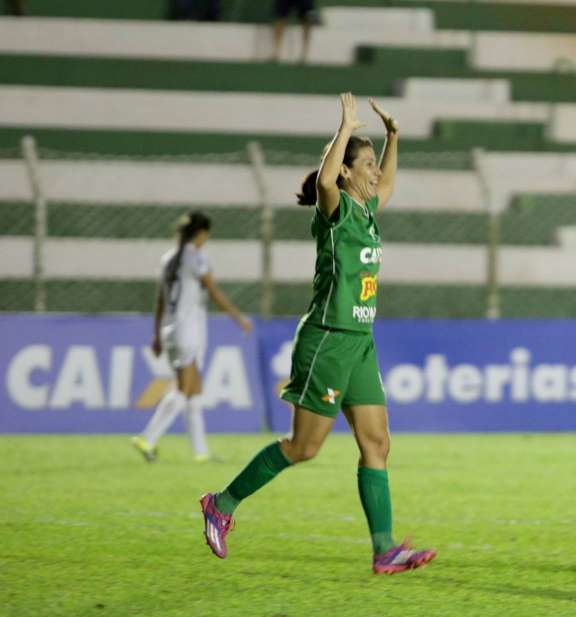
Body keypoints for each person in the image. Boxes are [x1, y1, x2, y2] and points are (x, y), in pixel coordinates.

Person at [200, 93, 436, 575]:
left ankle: (384, 549)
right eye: (366, 165)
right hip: (328, 338)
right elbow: (327, 178)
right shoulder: (336, 211)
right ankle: (221, 503)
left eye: (373, 165)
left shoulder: (367, 212)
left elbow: (387, 182)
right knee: (304, 447)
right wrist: (346, 127)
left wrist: (393, 139)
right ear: (348, 173)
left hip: (360, 342)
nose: (374, 173)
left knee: (377, 443)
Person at [132, 212, 252, 463]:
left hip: (170, 330)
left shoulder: (168, 260)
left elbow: (160, 301)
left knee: (195, 391)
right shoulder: (195, 258)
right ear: (201, 233)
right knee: (184, 389)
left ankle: (201, 452)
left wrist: (156, 336)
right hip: (188, 331)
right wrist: (238, 318)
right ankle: (147, 437)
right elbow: (214, 292)